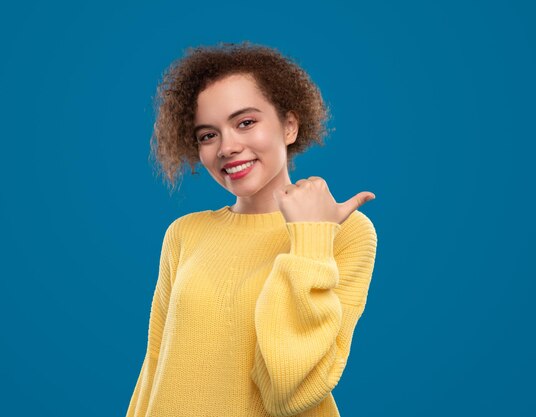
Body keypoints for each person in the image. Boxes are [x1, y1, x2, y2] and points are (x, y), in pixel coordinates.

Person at [126, 41, 378, 417]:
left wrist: (310, 239)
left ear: (289, 125)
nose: (226, 147)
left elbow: (289, 392)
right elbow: (155, 366)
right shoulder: (184, 233)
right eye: (207, 135)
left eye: (245, 122)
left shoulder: (343, 230)